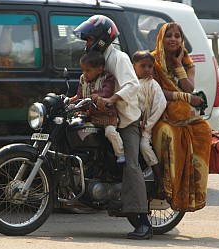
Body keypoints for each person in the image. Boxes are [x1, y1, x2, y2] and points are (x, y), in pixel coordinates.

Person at [74, 15, 152, 239]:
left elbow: (132, 84)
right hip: (103, 116)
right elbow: (86, 82)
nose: (86, 43)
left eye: (88, 38)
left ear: (100, 38)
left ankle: (144, 222)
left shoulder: (118, 57)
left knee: (131, 165)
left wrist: (112, 99)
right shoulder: (96, 58)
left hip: (126, 120)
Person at [151, 22, 212, 212]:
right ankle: (168, 186)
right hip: (159, 113)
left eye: (177, 36)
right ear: (162, 38)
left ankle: (193, 188)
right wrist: (183, 97)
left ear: (181, 40)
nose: (173, 39)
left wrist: (178, 66)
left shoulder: (186, 62)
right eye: (169, 35)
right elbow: (157, 91)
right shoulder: (153, 61)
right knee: (171, 134)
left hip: (183, 115)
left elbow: (189, 87)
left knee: (204, 131)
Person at [71, 50, 125, 164]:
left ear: (99, 70)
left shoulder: (107, 78)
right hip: (91, 116)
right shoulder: (82, 79)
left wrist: (95, 97)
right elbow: (80, 96)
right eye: (83, 70)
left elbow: (105, 93)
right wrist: (70, 102)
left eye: (88, 70)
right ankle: (90, 158)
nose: (84, 73)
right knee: (78, 131)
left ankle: (120, 154)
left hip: (105, 115)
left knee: (110, 132)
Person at [132, 50, 166, 198]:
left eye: (150, 66)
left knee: (144, 147)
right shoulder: (130, 83)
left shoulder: (153, 85)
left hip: (145, 126)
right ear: (133, 66)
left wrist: (146, 126)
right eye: (142, 66)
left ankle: (159, 180)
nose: (146, 69)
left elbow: (159, 107)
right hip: (130, 124)